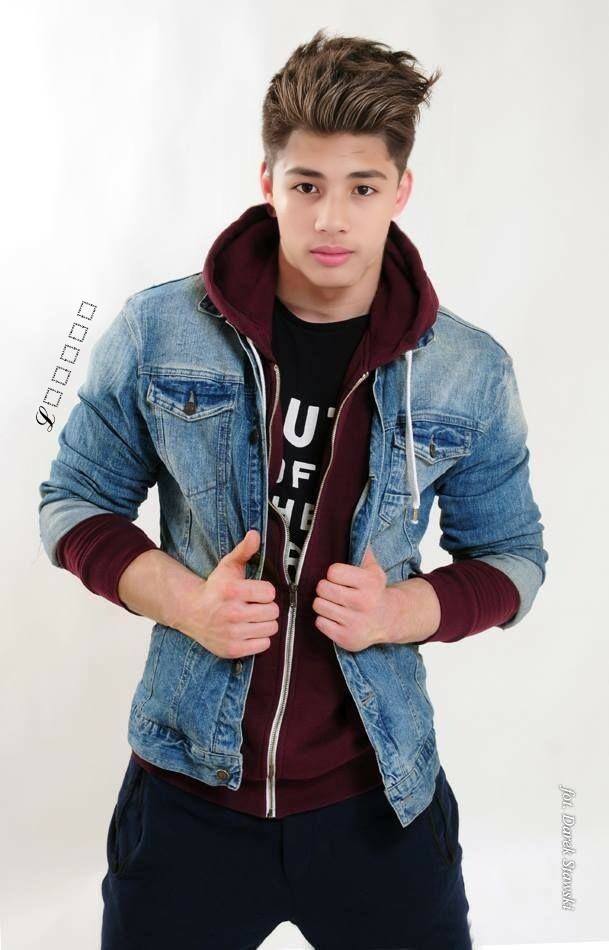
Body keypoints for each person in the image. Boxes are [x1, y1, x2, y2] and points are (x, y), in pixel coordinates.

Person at [38, 27, 548, 950]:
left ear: (401, 190)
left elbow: (513, 559)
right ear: (267, 180)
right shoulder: (158, 330)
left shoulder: (468, 370)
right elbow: (72, 503)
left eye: (362, 188)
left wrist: (400, 610)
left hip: (380, 801)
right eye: (307, 185)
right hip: (187, 795)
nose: (330, 220)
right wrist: (187, 603)